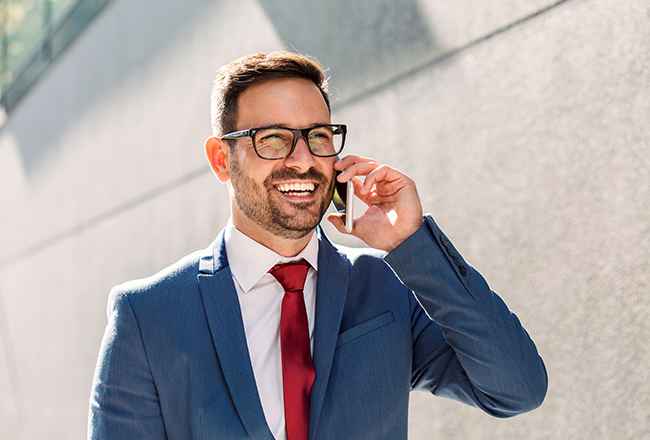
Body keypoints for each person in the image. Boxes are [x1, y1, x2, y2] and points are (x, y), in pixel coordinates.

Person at [88, 51, 547, 440]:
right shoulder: (147, 317)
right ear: (221, 159)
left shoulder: (386, 286)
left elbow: (516, 388)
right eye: (273, 139)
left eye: (319, 137)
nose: (303, 160)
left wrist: (410, 243)